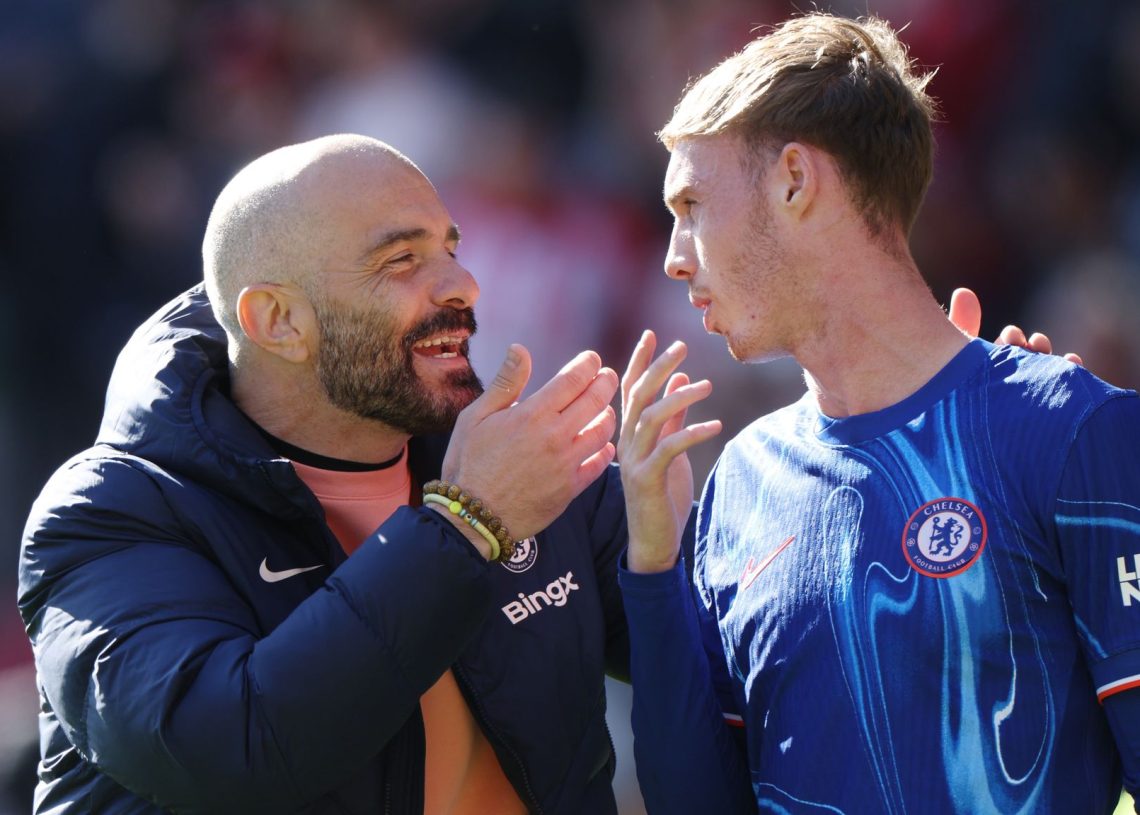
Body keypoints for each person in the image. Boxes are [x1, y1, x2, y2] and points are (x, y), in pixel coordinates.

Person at [616, 12, 1140, 815]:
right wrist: (652, 568)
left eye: (691, 203)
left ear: (795, 180)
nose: (673, 257)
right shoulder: (738, 487)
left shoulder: (1070, 430)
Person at [17, 134, 630, 814]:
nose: (464, 284)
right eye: (401, 259)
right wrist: (466, 523)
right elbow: (229, 751)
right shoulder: (110, 513)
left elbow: (709, 655)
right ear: (277, 321)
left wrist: (669, 536)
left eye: (450, 250)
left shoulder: (518, 464)